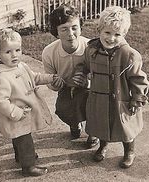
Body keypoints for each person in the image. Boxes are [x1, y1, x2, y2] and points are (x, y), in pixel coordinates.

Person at [81, 6, 149, 168]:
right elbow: (85, 66)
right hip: (99, 97)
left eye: (117, 34)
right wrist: (84, 74)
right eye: (107, 33)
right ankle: (103, 146)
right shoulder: (92, 50)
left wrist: (137, 99)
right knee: (101, 124)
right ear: (99, 30)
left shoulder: (129, 55)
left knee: (126, 128)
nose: (111, 38)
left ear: (124, 34)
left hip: (121, 99)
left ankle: (129, 151)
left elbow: (138, 79)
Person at [0, 29, 63, 177]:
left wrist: (49, 78)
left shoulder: (22, 66)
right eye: (8, 52)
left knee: (19, 137)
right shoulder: (3, 77)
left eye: (17, 50)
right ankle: (28, 166)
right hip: (16, 114)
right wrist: (16, 113)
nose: (14, 55)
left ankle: (21, 157)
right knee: (25, 140)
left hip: (24, 113)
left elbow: (35, 77)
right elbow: (0, 101)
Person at [42, 3, 99, 149]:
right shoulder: (49, 52)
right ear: (56, 31)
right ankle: (74, 124)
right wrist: (55, 83)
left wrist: (88, 82)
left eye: (74, 27)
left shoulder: (90, 47)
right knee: (63, 108)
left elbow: (100, 75)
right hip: (66, 87)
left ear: (80, 26)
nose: (70, 34)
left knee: (95, 105)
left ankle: (93, 132)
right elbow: (50, 80)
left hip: (91, 88)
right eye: (64, 29)